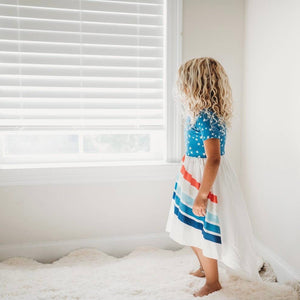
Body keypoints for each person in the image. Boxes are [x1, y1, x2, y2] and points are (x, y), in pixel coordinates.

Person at [165, 57, 264, 297]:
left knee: (202, 231)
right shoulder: (197, 113)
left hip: (206, 179)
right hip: (194, 173)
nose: (181, 88)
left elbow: (214, 158)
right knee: (188, 226)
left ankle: (213, 282)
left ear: (196, 85)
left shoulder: (207, 116)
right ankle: (204, 267)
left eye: (184, 83)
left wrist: (202, 194)